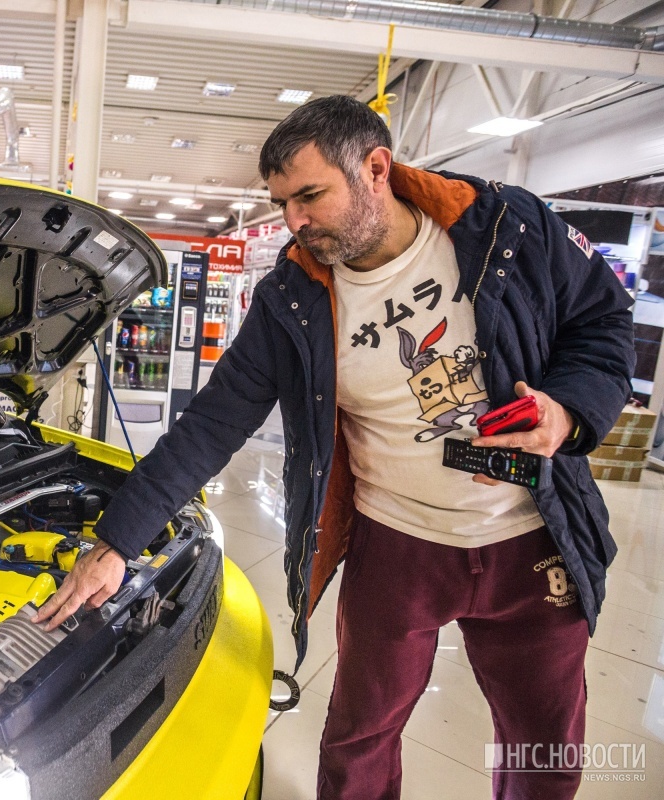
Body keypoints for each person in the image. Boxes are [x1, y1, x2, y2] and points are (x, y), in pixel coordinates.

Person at [34, 95, 634, 798]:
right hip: (396, 545)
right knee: (359, 735)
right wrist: (115, 544)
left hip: (535, 536)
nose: (293, 221)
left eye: (309, 196)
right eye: (282, 202)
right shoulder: (292, 296)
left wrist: (570, 411)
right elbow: (211, 424)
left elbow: (602, 321)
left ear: (376, 168)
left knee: (544, 744)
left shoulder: (506, 225)